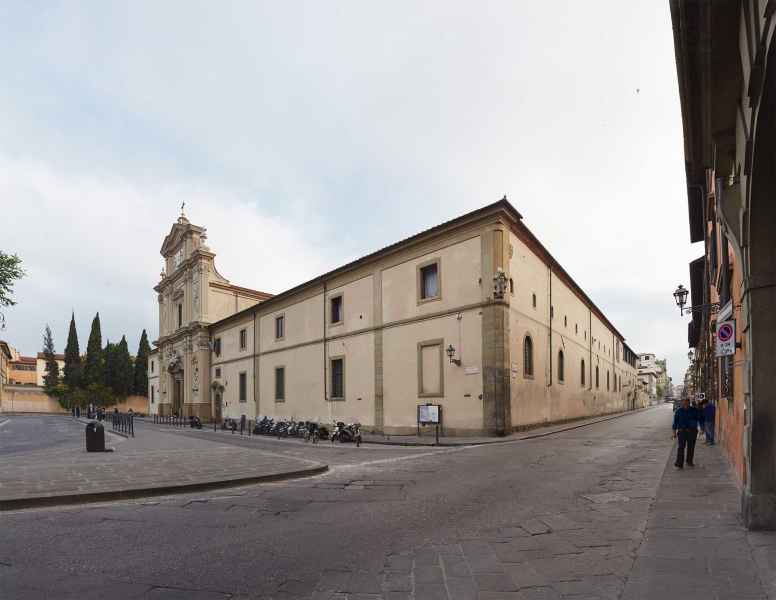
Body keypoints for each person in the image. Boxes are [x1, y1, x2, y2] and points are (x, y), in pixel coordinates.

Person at [673, 397, 704, 468]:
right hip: (682, 432)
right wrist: (674, 432)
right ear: (682, 403)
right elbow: (675, 422)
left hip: (692, 432)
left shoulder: (694, 410)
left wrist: (702, 429)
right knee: (681, 447)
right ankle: (679, 463)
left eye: (687, 402)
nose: (685, 403)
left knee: (691, 447)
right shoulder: (678, 411)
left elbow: (700, 419)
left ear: (689, 402)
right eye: (684, 402)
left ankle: (689, 461)